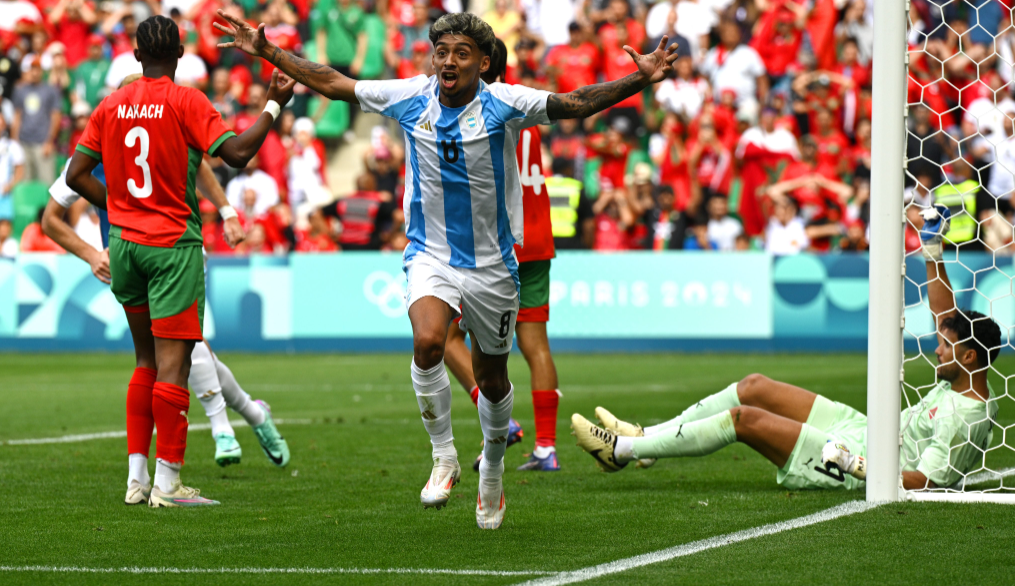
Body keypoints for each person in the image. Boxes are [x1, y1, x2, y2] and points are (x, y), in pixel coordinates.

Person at [215, 9, 678, 529]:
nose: (449, 61)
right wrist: (270, 51)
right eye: (442, 52)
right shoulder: (411, 96)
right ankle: (444, 457)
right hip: (430, 255)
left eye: (461, 53)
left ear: (483, 62)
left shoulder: (504, 103)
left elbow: (573, 103)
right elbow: (334, 83)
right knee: (428, 342)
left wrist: (640, 77)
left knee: (494, 378)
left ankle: (494, 472)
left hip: (494, 267)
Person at [573, 205, 1000, 494]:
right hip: (867, 430)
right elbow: (945, 314)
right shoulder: (964, 376)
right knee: (754, 385)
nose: (937, 350)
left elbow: (926, 482)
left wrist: (856, 465)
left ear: (968, 357)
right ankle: (646, 437)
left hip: (858, 464)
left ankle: (622, 451)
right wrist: (931, 246)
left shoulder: (963, 420)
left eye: (946, 347)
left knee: (744, 420)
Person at [65, 15, 295, 508]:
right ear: (182, 52)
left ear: (134, 55)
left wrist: (118, 206)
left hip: (125, 246)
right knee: (176, 364)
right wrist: (275, 103)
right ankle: (169, 485)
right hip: (172, 248)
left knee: (144, 360)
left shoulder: (110, 104)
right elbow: (234, 154)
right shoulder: (187, 100)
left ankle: (136, 480)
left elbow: (77, 173)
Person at [44, 149, 291, 471]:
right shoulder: (96, 148)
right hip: (130, 259)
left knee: (181, 340)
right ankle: (254, 413)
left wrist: (227, 211)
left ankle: (221, 430)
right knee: (173, 348)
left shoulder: (160, 120)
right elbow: (49, 218)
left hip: (180, 247)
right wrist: (91, 254)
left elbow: (200, 162)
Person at [443, 39, 562, 473]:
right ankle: (546, 448)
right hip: (538, 236)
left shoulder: (486, 111)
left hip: (499, 242)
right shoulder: (527, 104)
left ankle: (499, 417)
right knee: (536, 347)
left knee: (447, 337)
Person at [12, 56, 61, 185]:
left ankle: (45, 206)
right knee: (25, 183)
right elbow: (17, 117)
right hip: (24, 142)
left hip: (42, 143)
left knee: (46, 182)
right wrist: (15, 142)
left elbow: (55, 117)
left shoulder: (50, 90)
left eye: (37, 69)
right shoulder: (20, 90)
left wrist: (50, 141)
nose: (34, 72)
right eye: (32, 69)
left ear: (42, 71)